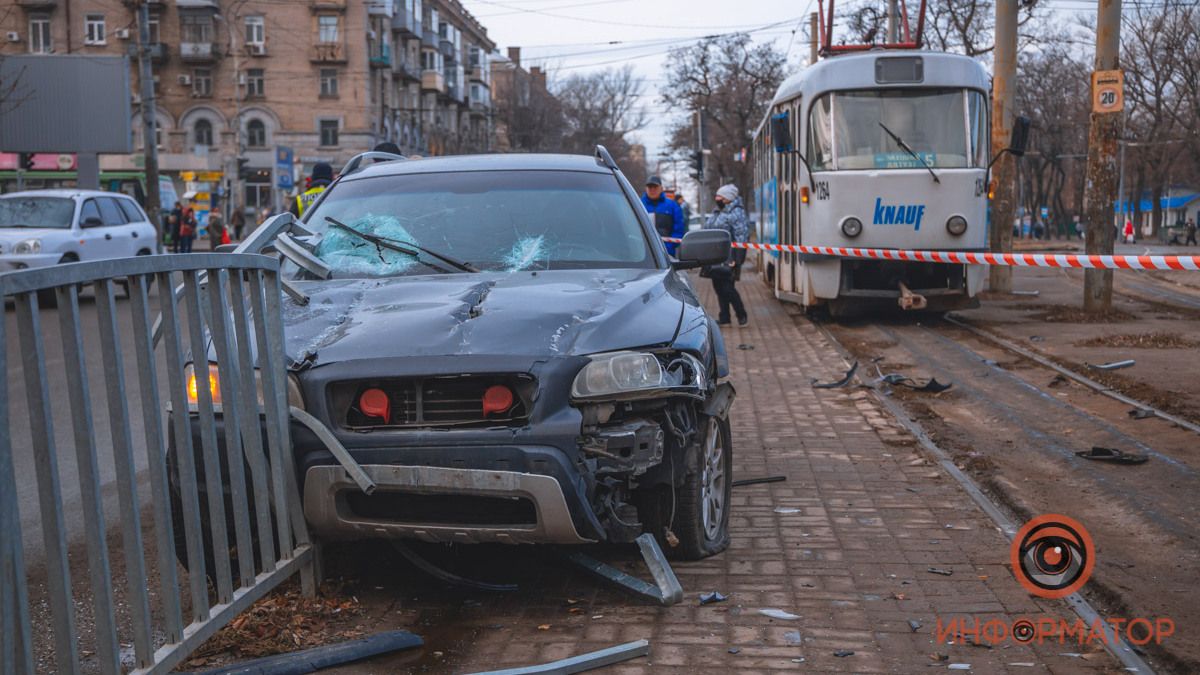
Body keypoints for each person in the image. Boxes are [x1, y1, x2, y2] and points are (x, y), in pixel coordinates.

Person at [703, 184, 750, 327]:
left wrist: (737, 259)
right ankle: (724, 316)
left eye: (720, 196)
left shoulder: (737, 213)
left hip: (729, 258)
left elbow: (741, 235)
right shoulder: (718, 211)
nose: (716, 199)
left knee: (728, 288)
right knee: (718, 288)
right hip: (715, 256)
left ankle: (742, 315)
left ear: (728, 198)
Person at [641, 175, 684, 255]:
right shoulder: (638, 205)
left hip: (667, 254)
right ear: (646, 188)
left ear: (661, 188)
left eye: (655, 187)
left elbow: (679, 230)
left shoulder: (672, 206)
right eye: (650, 187)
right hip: (643, 254)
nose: (652, 189)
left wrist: (667, 248)